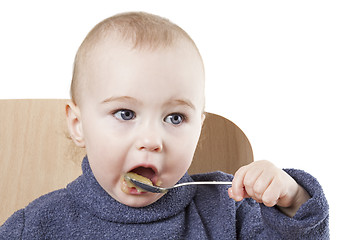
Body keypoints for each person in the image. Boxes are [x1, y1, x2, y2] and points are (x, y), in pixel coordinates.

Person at [0, 12, 329, 239]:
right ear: (78, 124)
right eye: (125, 114)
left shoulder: (230, 207)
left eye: (175, 118)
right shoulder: (38, 225)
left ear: (198, 128)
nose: (151, 140)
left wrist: (292, 201)